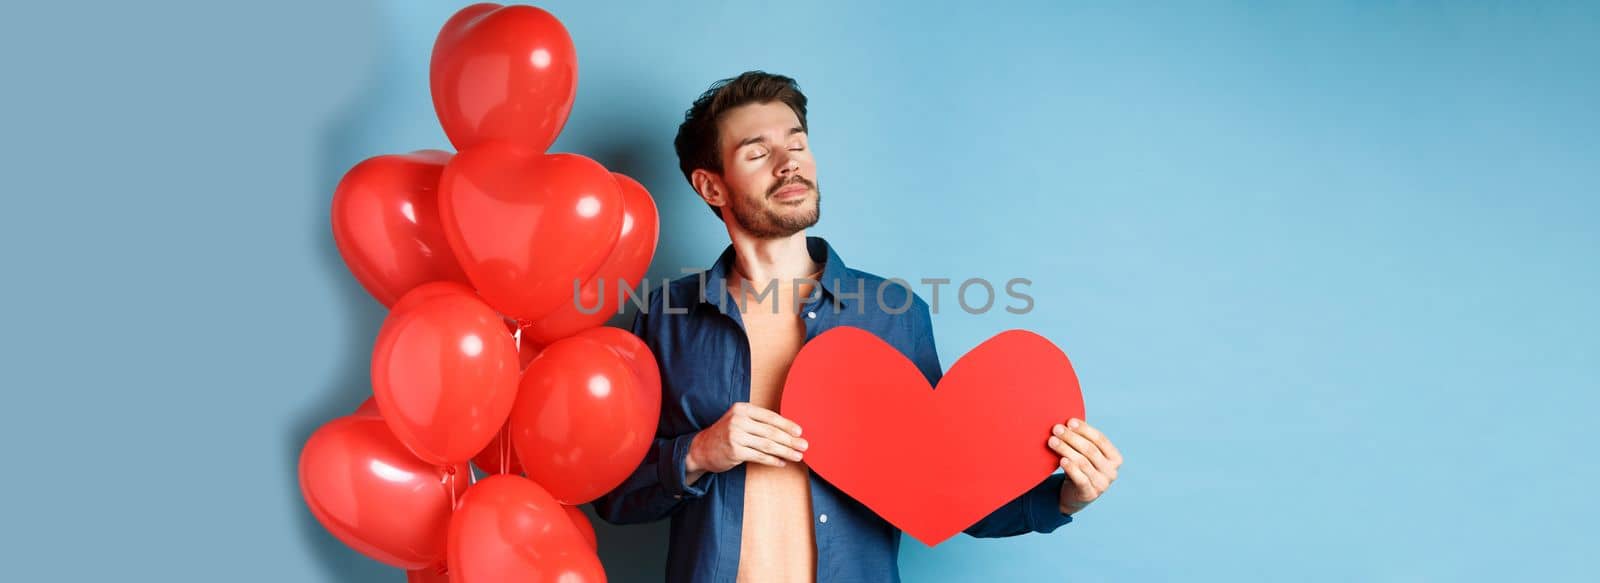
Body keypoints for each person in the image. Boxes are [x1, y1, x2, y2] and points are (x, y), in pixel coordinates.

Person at [591, 71, 1124, 583]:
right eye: (757, 152)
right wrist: (700, 452)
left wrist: (1062, 498)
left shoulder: (893, 313)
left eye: (797, 145)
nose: (787, 165)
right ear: (712, 187)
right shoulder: (665, 318)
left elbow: (947, 492)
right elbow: (615, 495)